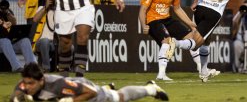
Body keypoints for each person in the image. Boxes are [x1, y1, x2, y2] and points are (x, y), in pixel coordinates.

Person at [190, 0, 247, 82]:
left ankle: (204, 71)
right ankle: (174, 44)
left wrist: (195, 2)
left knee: (206, 40)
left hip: (199, 9)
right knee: (194, 44)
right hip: (214, 12)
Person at [139, 0, 199, 81]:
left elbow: (177, 9)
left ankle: (201, 69)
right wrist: (143, 24)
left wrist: (190, 24)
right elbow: (143, 10)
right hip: (153, 20)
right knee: (166, 41)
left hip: (167, 19)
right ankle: (161, 75)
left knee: (192, 37)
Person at [10, 63, 169, 102]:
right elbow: (16, 93)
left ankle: (150, 89)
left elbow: (90, 93)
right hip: (73, 89)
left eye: (31, 83)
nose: (27, 87)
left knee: (118, 97)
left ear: (41, 80)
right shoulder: (25, 84)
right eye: (26, 83)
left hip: (86, 91)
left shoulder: (59, 85)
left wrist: (71, 100)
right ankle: (106, 87)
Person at [0, 0, 37, 72]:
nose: (3, 9)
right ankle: (16, 67)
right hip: (3, 43)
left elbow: (14, 22)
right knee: (5, 41)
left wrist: (7, 12)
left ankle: (31, 66)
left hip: (8, 45)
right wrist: (2, 23)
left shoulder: (7, 13)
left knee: (25, 40)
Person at [32, 0, 56, 72]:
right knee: (45, 41)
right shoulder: (41, 8)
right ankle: (46, 68)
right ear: (45, 0)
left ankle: (67, 68)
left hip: (55, 42)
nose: (52, 1)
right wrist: (46, 7)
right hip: (41, 42)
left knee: (70, 47)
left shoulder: (60, 10)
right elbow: (35, 19)